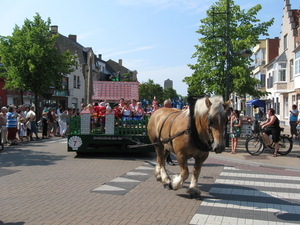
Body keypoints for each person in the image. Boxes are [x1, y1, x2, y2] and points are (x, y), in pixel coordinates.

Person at [163, 99, 176, 166]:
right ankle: (167, 160)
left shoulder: (172, 110)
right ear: (166, 105)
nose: (171, 104)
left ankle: (168, 159)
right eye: (170, 104)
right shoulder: (163, 111)